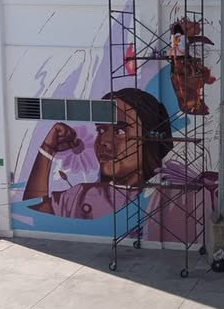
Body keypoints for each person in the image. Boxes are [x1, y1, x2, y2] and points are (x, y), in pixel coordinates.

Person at [23, 88, 173, 218]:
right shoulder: (81, 195)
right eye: (100, 130)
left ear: (151, 137)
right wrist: (47, 149)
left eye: (120, 131)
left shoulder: (169, 196)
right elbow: (32, 216)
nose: (103, 141)